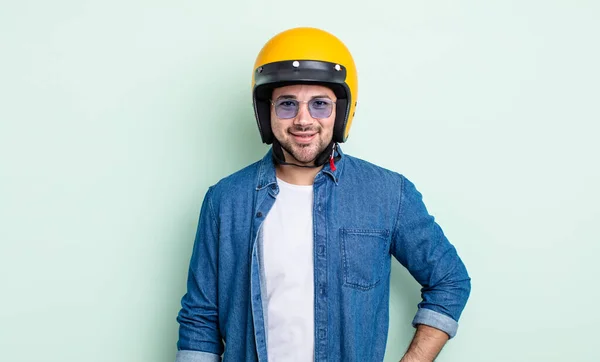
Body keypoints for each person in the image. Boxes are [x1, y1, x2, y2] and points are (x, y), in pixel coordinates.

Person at [175, 27, 471, 362]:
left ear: (342, 110)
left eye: (320, 104)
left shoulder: (388, 193)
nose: (303, 120)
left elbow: (450, 280)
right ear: (266, 111)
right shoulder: (225, 200)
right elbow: (200, 321)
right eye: (287, 104)